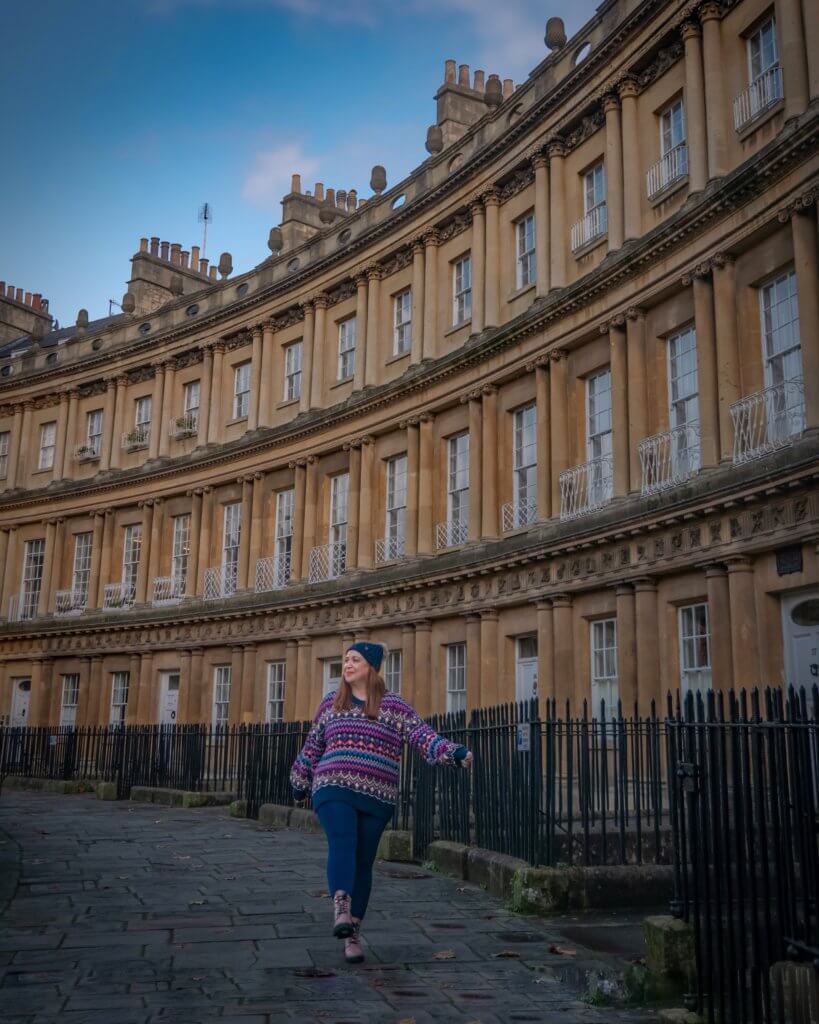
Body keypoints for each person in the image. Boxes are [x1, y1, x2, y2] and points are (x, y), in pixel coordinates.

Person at [290, 641, 473, 965]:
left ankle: (353, 936)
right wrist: (300, 782)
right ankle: (341, 908)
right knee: (343, 842)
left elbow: (422, 736)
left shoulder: (394, 707)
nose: (347, 664)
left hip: (377, 794)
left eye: (355, 660)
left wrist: (454, 752)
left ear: (371, 667)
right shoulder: (330, 705)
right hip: (333, 785)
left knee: (363, 861)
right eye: (345, 659)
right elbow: (312, 746)